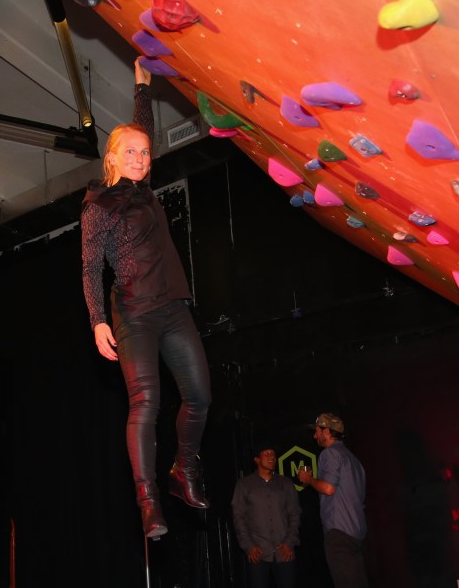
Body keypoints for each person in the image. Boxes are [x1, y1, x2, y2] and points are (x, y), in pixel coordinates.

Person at [81, 57, 212, 538]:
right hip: (133, 315)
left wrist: (142, 84)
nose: (140, 157)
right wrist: (98, 320)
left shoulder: (146, 190)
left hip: (173, 307)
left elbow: (143, 125)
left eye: (145, 152)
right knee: (148, 403)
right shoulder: (99, 206)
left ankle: (184, 471)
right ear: (112, 158)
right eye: (130, 152)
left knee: (199, 395)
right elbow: (91, 267)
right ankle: (148, 502)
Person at [297, 413, 368, 588]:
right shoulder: (353, 460)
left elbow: (328, 488)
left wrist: (309, 479)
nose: (315, 436)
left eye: (317, 431)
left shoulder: (330, 454)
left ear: (327, 431)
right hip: (357, 533)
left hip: (339, 533)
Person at [232, 444, 301, 588]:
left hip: (284, 551)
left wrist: (290, 542)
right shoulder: (244, 484)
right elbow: (238, 517)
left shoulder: (286, 483)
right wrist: (249, 546)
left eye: (273, 454)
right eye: (267, 454)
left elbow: (295, 513)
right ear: (257, 460)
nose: (272, 457)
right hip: (258, 552)